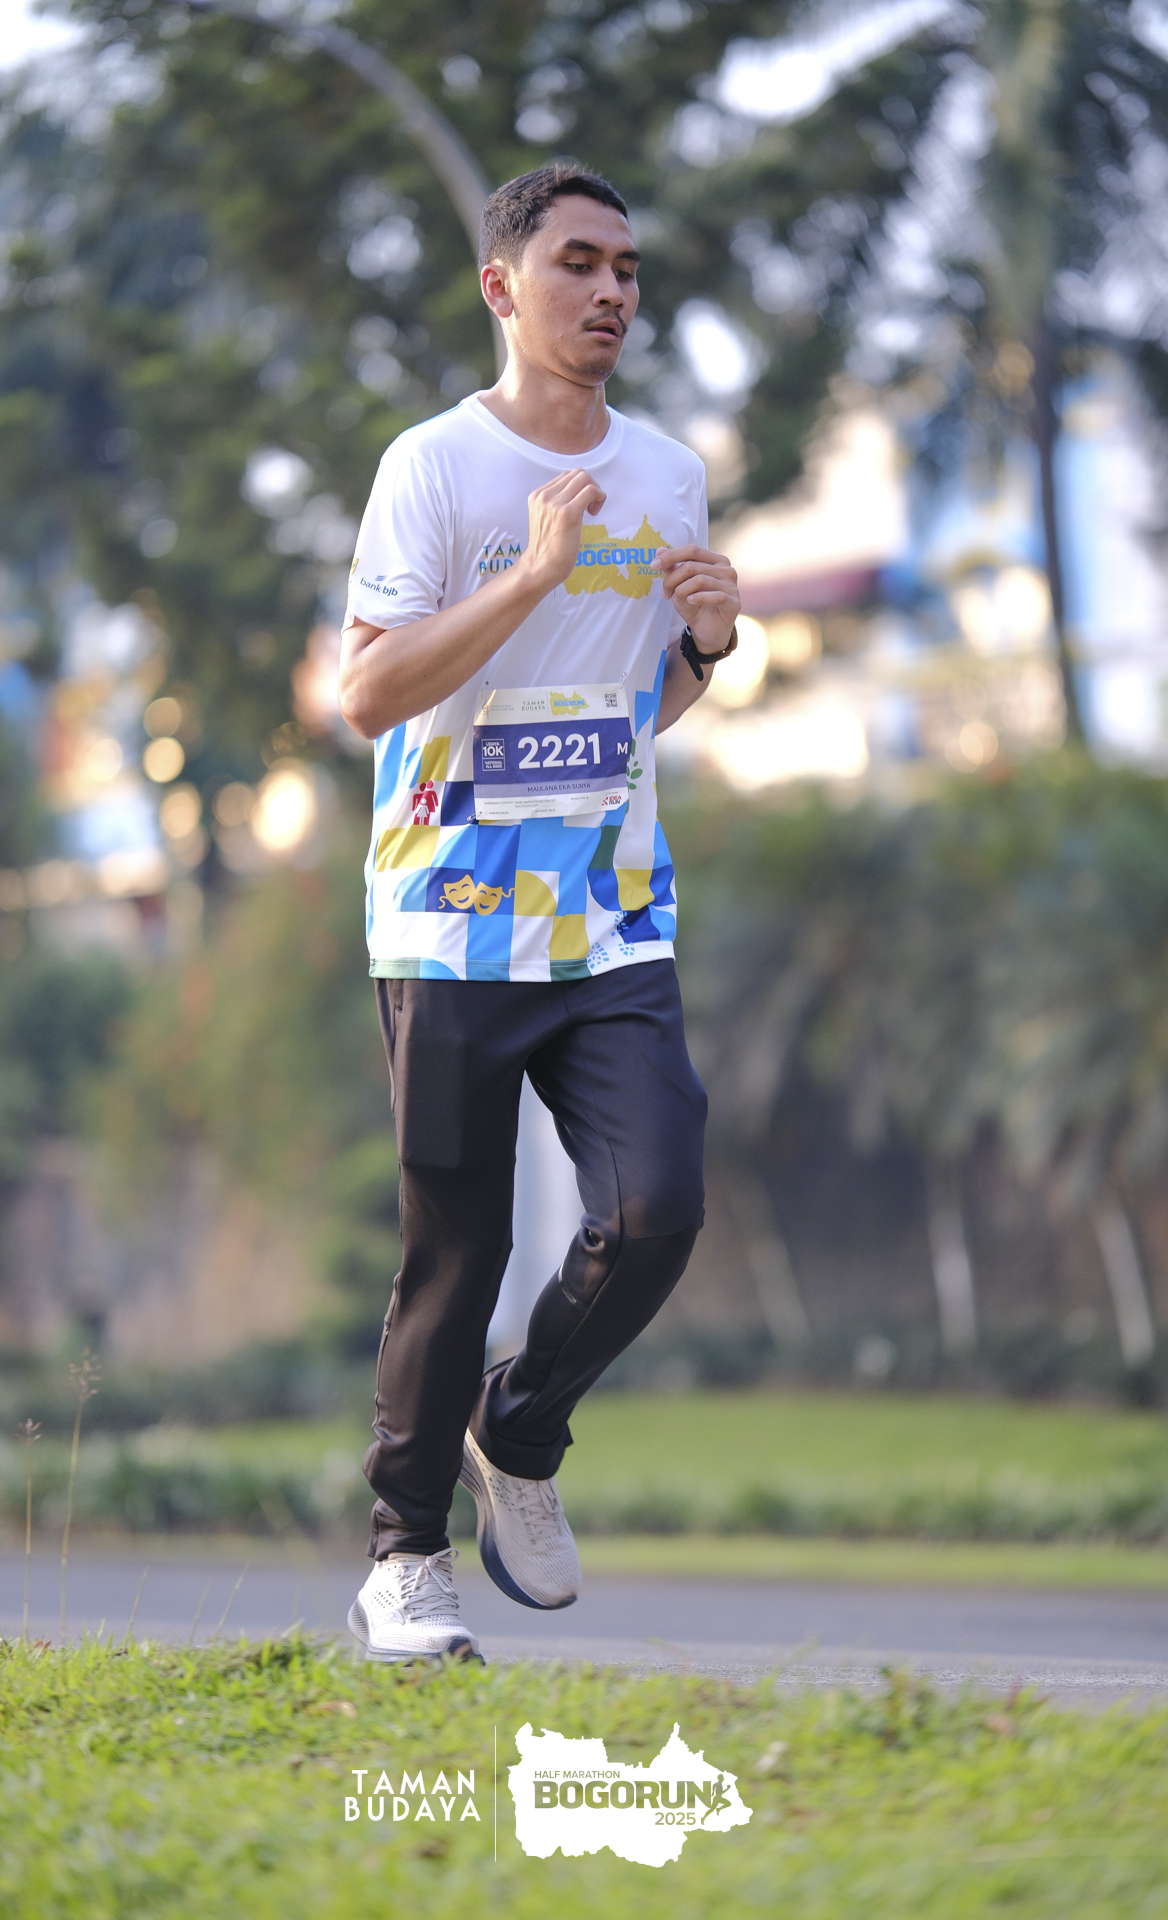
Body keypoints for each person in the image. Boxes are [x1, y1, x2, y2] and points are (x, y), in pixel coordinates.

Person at [338, 163, 741, 1663]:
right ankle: (404, 1560)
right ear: (503, 287)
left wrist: (709, 645)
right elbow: (368, 692)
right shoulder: (433, 467)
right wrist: (533, 576)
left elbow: (636, 708)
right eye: (579, 263)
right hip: (450, 921)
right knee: (458, 1252)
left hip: (613, 916)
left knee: (657, 1208)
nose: (612, 291)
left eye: (627, 268)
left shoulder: (669, 473)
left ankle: (517, 1431)